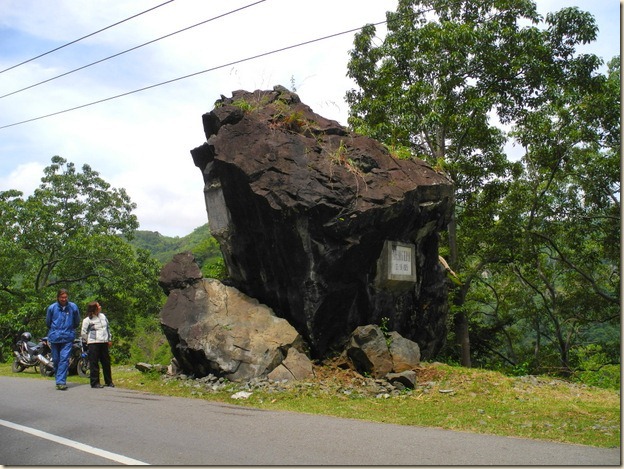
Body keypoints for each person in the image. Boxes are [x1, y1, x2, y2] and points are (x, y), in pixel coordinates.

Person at [45, 288, 81, 391]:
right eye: (62, 297)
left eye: (65, 297)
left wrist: (68, 329)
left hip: (67, 337)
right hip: (55, 337)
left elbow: (76, 322)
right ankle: (58, 379)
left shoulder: (73, 307)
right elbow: (48, 322)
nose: (64, 299)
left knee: (64, 359)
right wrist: (55, 330)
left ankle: (61, 382)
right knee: (56, 360)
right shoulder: (52, 308)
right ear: (58, 297)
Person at [81, 301, 114, 388]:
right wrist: (88, 340)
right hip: (93, 343)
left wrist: (109, 339)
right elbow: (83, 332)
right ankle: (95, 382)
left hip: (104, 342)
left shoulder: (103, 316)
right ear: (94, 308)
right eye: (98, 306)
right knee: (94, 363)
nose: (100, 307)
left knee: (106, 362)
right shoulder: (87, 320)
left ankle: (109, 381)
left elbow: (107, 328)